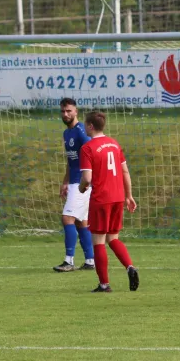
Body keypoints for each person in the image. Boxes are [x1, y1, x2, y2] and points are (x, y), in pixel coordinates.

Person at [78, 111, 139, 293]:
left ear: (90, 126)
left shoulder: (87, 148)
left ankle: (104, 284)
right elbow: (125, 172)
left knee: (98, 241)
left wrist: (81, 188)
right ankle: (130, 266)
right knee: (113, 238)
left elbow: (87, 178)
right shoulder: (114, 144)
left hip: (101, 198)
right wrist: (129, 195)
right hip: (118, 197)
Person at [53, 98, 95, 272]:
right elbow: (72, 161)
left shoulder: (80, 132)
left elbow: (91, 156)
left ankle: (69, 261)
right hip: (73, 181)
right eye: (63, 111)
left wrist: (89, 181)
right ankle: (90, 261)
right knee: (81, 222)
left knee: (67, 218)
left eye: (69, 111)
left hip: (82, 183)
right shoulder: (66, 133)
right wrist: (65, 182)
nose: (66, 114)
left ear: (76, 111)